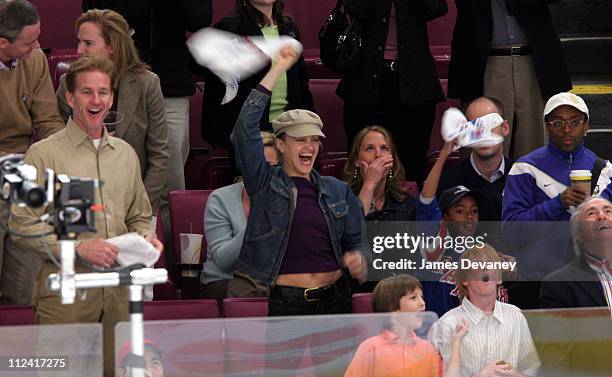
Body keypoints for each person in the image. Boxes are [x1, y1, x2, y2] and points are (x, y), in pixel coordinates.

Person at [8, 56, 163, 377]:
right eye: (87, 93)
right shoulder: (42, 155)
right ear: (69, 97)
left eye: (104, 93)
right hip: (66, 300)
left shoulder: (126, 155)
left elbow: (140, 215)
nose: (97, 101)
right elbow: (22, 225)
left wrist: (146, 236)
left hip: (121, 299)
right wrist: (77, 248)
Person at [229, 46, 365, 316]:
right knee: (281, 361)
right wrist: (277, 68)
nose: (310, 146)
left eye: (315, 140)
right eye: (300, 139)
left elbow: (358, 237)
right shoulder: (265, 183)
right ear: (280, 143)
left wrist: (360, 255)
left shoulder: (337, 190)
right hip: (284, 301)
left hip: (335, 298)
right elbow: (243, 127)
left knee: (338, 362)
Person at [502, 92, 612, 308]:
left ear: (586, 126)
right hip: (537, 282)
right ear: (547, 126)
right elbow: (510, 232)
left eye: (574, 122)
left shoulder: (606, 172)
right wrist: (557, 204)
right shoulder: (525, 169)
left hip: (592, 286)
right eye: (558, 122)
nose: (566, 129)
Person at [56, 9, 169, 214]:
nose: (79, 50)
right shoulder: (68, 83)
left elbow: (159, 154)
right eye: (79, 41)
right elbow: (57, 137)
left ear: (112, 46)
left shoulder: (147, 84)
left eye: (88, 43)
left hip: (132, 195)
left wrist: (141, 205)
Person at [338, 0, 447, 185]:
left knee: (412, 164)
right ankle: (362, 208)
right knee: (362, 161)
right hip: (366, 83)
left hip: (414, 86)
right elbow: (356, 7)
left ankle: (406, 211)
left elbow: (435, 9)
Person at [448, 0, 572, 159]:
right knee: (485, 142)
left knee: (533, 143)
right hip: (485, 62)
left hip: (531, 58)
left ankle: (530, 183)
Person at [0, 0, 64, 304]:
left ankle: (20, 322)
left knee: (25, 282)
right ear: (2, 43)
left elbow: (49, 120)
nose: (38, 46)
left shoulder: (35, 59)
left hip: (23, 167)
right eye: (30, 41)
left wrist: (54, 155)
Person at [200, 0, 313, 168]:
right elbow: (208, 72)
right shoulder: (231, 27)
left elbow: (301, 83)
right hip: (251, 129)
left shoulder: (289, 29)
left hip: (288, 126)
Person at [430, 244, 541, 377]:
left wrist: (515, 375)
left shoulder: (516, 317)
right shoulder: (446, 325)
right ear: (464, 280)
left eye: (490, 265)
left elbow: (532, 371)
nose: (485, 269)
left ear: (499, 278)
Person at [199, 132, 280, 301]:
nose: (263, 173)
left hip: (270, 282)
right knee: (253, 293)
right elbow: (224, 261)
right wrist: (258, 219)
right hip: (224, 281)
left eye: (271, 166)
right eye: (257, 165)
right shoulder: (220, 199)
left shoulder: (288, 198)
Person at [344, 274, 467, 377]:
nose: (422, 303)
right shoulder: (370, 348)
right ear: (391, 307)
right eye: (413, 298)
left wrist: (456, 343)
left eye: (422, 297)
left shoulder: (427, 349)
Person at [438, 97, 512, 221]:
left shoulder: (522, 176)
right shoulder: (449, 181)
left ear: (505, 128)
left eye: (490, 126)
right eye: (475, 128)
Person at [540, 197, 612, 311]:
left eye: (608, 211)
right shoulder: (558, 283)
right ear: (579, 234)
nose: (602, 216)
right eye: (591, 213)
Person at [343, 125, 416, 221]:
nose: (378, 155)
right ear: (356, 160)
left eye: (384, 148)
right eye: (370, 148)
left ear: (391, 160)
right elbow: (351, 230)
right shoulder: (341, 198)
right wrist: (369, 184)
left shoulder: (407, 203)